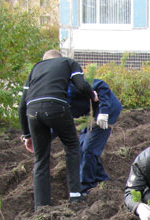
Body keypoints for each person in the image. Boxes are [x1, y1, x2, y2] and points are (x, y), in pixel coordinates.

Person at [19, 49, 98, 209]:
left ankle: (41, 206)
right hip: (56, 107)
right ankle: (75, 196)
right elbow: (81, 84)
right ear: (58, 58)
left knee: (40, 158)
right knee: (72, 146)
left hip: (33, 112)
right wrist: (92, 95)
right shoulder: (68, 62)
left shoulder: (36, 68)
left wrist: (26, 134)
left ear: (45, 59)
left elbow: (22, 105)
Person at [67, 78, 122, 194]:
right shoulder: (55, 99)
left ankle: (87, 187)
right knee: (81, 147)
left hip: (106, 111)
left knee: (89, 149)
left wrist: (104, 111)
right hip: (89, 115)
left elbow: (101, 86)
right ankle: (102, 179)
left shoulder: (70, 85)